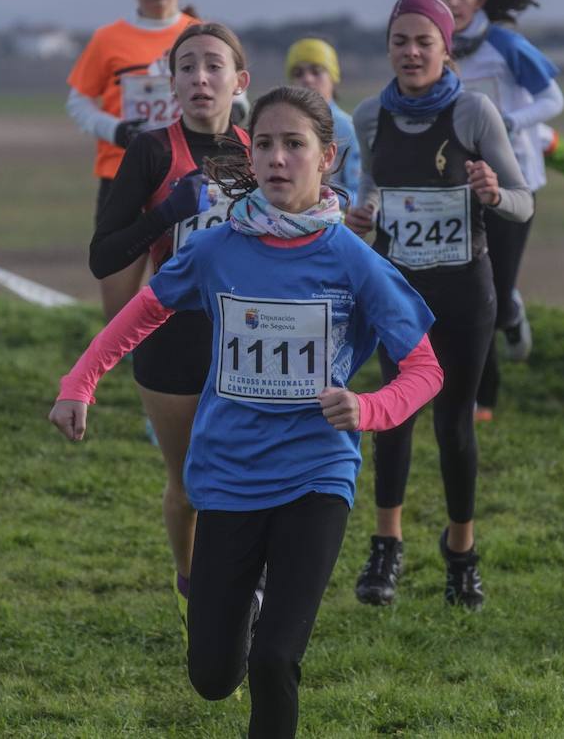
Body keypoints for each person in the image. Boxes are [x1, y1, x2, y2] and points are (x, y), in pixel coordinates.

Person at [50, 85, 444, 739]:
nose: (278, 158)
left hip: (315, 476)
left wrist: (370, 407)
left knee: (275, 658)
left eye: (295, 144)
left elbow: (427, 368)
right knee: (211, 676)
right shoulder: (217, 248)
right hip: (228, 477)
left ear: (328, 158)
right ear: (249, 155)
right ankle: (235, 618)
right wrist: (80, 381)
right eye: (265, 143)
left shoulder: (354, 260)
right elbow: (145, 310)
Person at [345, 0, 533, 610]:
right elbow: (371, 182)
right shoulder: (370, 115)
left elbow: (523, 199)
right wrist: (365, 213)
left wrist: (492, 192)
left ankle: (461, 553)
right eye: (400, 40)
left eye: (424, 41)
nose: (411, 51)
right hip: (397, 290)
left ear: (445, 48)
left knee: (454, 425)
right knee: (393, 414)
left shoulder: (475, 111)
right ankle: (386, 545)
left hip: (463, 291)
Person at [87, 22, 251, 637]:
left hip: (247, 340)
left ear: (240, 81)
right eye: (187, 67)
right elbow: (104, 256)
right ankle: (191, 584)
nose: (201, 78)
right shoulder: (153, 151)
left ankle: (237, 589)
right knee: (188, 484)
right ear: (172, 81)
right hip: (171, 339)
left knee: (242, 477)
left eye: (214, 66)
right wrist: (167, 212)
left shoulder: (258, 148)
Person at [428, 0, 564, 424]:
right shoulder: (430, 45)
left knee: (490, 294)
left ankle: (484, 397)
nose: (451, 1)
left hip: (514, 182)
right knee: (470, 293)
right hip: (457, 185)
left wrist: (508, 123)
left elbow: (553, 98)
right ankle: (479, 380)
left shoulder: (505, 45)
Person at [66, 0, 200, 320]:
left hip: (189, 178)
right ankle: (124, 374)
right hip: (121, 177)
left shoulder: (201, 34)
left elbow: (235, 97)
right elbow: (79, 102)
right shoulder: (108, 39)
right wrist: (119, 131)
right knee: (119, 310)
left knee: (189, 302)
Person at [284, 37, 361, 205]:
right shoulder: (282, 127)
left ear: (333, 77)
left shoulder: (348, 129)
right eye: (298, 73)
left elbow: (359, 195)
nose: (307, 79)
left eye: (316, 71)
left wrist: (316, 196)